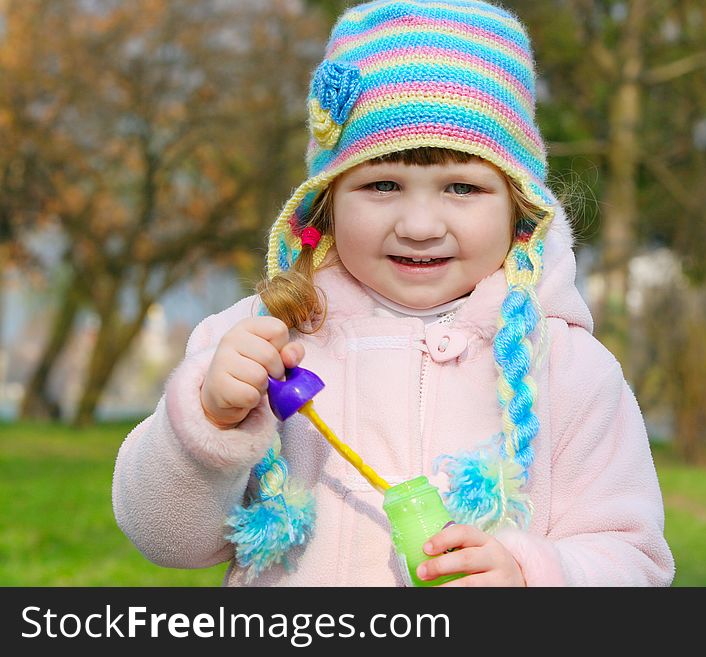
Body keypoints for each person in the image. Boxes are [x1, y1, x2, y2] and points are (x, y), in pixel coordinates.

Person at [112, 0, 675, 587]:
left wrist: (533, 577)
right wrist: (209, 423)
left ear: (519, 209)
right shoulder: (255, 347)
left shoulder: (568, 370)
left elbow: (635, 561)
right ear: (326, 203)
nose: (420, 224)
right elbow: (164, 538)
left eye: (462, 186)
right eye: (382, 184)